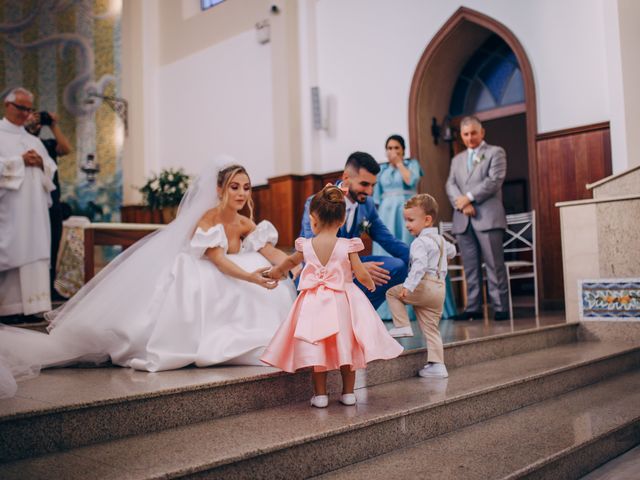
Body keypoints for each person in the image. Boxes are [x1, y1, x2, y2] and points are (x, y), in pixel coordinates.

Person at [0, 161, 296, 398]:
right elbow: (218, 261)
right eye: (234, 187)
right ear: (220, 189)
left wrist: (293, 266)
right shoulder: (207, 220)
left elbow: (269, 251)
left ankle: (257, 335)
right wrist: (252, 278)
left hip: (229, 277)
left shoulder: (245, 222)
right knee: (225, 273)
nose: (242, 194)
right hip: (204, 276)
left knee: (260, 263)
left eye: (246, 187)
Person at [261, 185, 403, 407]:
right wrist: (370, 284)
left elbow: (289, 263)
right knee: (347, 346)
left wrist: (274, 272)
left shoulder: (305, 245)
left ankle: (320, 396)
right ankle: (348, 393)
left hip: (313, 301)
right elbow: (360, 271)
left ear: (313, 219)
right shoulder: (348, 245)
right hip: (343, 301)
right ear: (342, 220)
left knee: (318, 348)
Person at [300, 152, 409, 310]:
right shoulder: (316, 202)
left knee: (399, 266)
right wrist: (355, 267)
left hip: (351, 265)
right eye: (364, 184)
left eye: (373, 185)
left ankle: (361, 313)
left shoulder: (367, 205)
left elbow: (388, 240)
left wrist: (421, 258)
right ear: (346, 178)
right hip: (319, 274)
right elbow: (312, 254)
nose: (370, 192)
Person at [0, 87, 57, 321]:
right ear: (7, 105)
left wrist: (41, 164)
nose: (25, 113)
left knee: (35, 247)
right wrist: (19, 161)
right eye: (20, 108)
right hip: (11, 209)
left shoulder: (34, 140)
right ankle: (9, 308)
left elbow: (52, 170)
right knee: (16, 247)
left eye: (29, 109)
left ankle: (35, 306)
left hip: (35, 210)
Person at [445, 115, 509, 321]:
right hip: (463, 219)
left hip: (488, 217)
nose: (470, 137)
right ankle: (473, 307)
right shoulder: (457, 159)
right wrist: (462, 203)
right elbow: (450, 185)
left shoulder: (495, 152)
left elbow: (495, 180)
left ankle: (500, 307)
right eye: (466, 134)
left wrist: (469, 198)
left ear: (482, 132)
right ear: (461, 136)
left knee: (494, 264)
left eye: (474, 133)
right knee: (470, 266)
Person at [386, 194, 456, 378]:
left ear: (427, 220)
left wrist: (408, 286)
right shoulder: (440, 240)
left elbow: (419, 266)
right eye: (406, 220)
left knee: (392, 294)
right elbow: (453, 251)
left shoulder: (419, 242)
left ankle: (402, 326)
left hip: (424, 285)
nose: (407, 224)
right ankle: (437, 365)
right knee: (432, 329)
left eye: (411, 220)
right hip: (440, 289)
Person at [25, 110, 72, 300]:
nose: (36, 121)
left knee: (53, 243)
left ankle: (50, 286)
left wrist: (52, 124)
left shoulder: (48, 144)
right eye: (31, 115)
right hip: (31, 202)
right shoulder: (22, 142)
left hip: (53, 200)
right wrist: (27, 127)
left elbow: (66, 148)